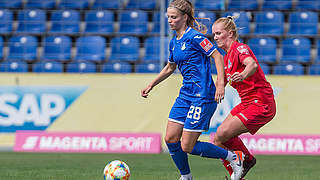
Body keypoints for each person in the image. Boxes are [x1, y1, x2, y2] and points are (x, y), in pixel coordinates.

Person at [141, 1, 244, 180]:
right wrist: (152, 84)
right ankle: (186, 176)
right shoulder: (174, 42)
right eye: (168, 17)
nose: (170, 21)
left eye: (174, 17)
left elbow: (217, 55)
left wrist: (220, 84)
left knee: (187, 146)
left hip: (202, 95)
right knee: (171, 138)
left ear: (185, 18)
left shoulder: (195, 37)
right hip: (185, 95)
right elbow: (170, 67)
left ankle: (233, 156)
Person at [212, 16, 277, 179]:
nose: (215, 37)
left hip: (262, 102)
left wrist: (242, 75)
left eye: (219, 33)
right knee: (218, 141)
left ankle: (246, 159)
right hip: (247, 102)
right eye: (214, 34)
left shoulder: (240, 48)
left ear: (231, 33)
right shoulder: (226, 58)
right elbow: (221, 83)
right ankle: (237, 176)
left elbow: (252, 65)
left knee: (223, 133)